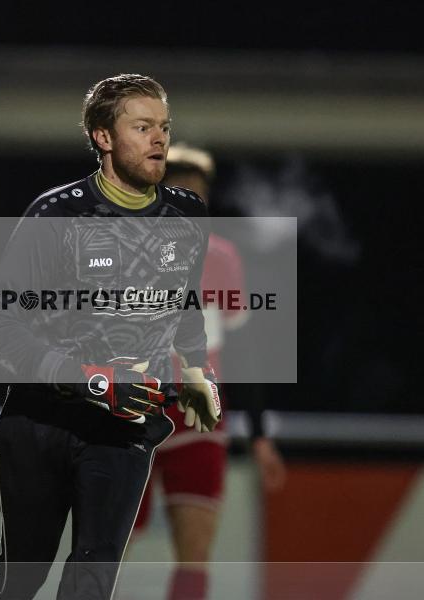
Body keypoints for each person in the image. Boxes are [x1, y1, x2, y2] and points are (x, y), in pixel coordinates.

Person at [0, 75, 221, 600]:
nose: (159, 139)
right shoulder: (55, 214)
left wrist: (197, 372)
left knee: (93, 578)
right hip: (42, 420)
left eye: (163, 127)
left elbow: (184, 301)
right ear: (103, 137)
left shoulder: (188, 214)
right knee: (24, 577)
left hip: (124, 428)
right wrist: (86, 378)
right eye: (142, 127)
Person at [129, 144, 286, 600]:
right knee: (107, 546)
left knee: (195, 551)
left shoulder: (221, 259)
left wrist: (259, 434)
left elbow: (244, 346)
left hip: (198, 414)